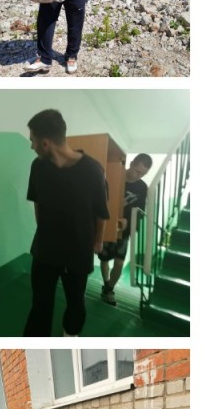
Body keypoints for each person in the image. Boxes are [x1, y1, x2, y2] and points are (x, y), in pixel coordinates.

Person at [23, 110, 109, 337]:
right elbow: (37, 202)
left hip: (78, 252)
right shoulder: (38, 167)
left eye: (32, 140)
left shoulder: (93, 170)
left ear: (45, 143)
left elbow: (101, 211)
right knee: (40, 304)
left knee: (75, 303)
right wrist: (43, 231)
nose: (31, 146)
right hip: (45, 249)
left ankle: (70, 336)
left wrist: (98, 242)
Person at [99, 154, 153, 306]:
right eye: (137, 171)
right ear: (132, 163)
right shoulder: (115, 177)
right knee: (104, 260)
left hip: (124, 230)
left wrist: (127, 221)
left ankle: (109, 289)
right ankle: (106, 282)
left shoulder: (142, 187)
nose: (138, 175)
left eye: (143, 173)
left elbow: (140, 210)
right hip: (107, 225)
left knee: (119, 263)